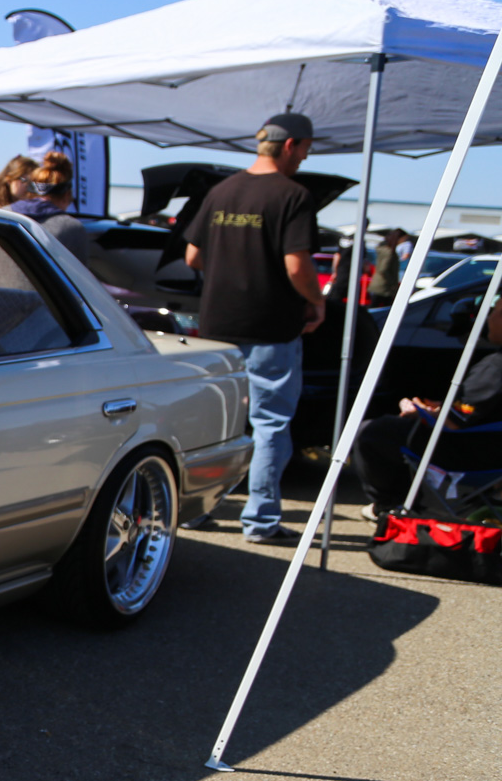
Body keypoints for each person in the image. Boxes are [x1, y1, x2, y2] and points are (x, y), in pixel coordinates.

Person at [184, 112, 324, 544]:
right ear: (290, 146)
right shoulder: (293, 195)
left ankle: (194, 509)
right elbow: (297, 265)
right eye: (306, 149)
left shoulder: (221, 191)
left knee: (215, 423)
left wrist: (228, 276)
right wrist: (316, 301)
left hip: (217, 326)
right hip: (271, 327)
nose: (304, 158)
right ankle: (261, 521)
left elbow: (192, 256)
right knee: (270, 424)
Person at [353, 300, 502, 519]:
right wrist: (439, 408)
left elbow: (454, 422)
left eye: (495, 312)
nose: (488, 318)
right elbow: (481, 407)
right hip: (489, 446)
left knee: (371, 431)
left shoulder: (495, 367)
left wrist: (419, 412)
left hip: (472, 452)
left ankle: (390, 504)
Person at [0, 152, 92, 289]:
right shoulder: (71, 228)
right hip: (38, 309)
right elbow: (80, 285)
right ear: (67, 195)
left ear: (31, 191)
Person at [367, 228, 410, 306]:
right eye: (404, 239)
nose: (404, 242)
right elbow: (383, 269)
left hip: (379, 284)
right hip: (385, 287)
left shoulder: (384, 250)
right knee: (384, 310)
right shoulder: (389, 252)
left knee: (375, 308)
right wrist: (392, 283)